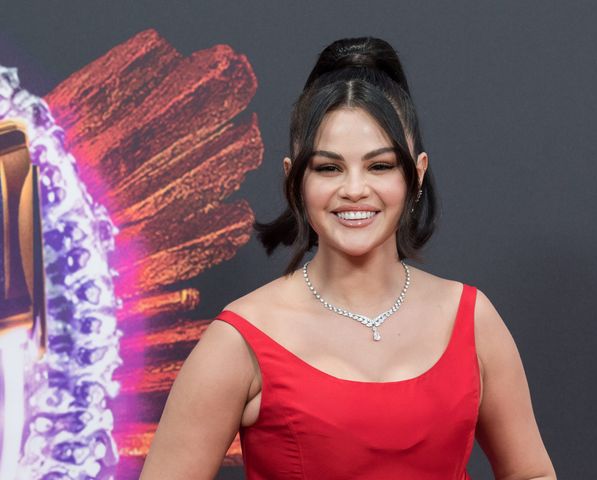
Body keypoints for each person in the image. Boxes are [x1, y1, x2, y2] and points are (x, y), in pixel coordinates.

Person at [140, 37, 556, 480]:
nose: (355, 189)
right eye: (328, 168)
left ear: (416, 174)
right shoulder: (239, 340)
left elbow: (531, 473)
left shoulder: (472, 319)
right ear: (294, 179)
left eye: (380, 166)